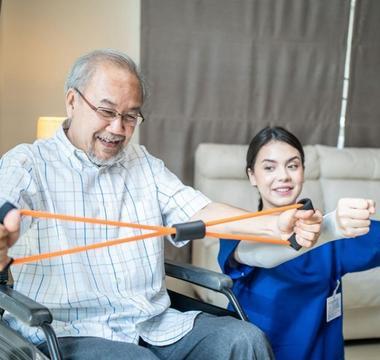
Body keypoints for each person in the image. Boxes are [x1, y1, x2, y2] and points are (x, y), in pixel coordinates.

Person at [0, 50, 326, 360]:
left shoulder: (142, 163)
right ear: (72, 101)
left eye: (130, 116)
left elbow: (199, 211)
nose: (118, 128)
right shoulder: (28, 162)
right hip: (67, 333)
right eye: (107, 111)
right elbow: (6, 209)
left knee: (244, 340)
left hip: (154, 325)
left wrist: (273, 223)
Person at [218, 126, 378, 360]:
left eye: (292, 165)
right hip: (256, 352)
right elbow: (258, 254)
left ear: (303, 170)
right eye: (269, 167)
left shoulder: (333, 237)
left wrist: (335, 225)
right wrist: (329, 228)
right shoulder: (237, 229)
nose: (283, 176)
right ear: (252, 175)